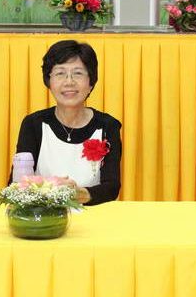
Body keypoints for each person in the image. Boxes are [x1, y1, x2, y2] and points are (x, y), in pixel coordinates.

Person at [13, 40, 122, 205]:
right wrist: (53, 190)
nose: (69, 82)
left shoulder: (108, 126)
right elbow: (17, 183)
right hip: (44, 215)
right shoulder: (33, 124)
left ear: (91, 83)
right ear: (49, 82)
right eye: (60, 73)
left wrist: (79, 194)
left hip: (93, 216)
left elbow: (111, 188)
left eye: (78, 73)